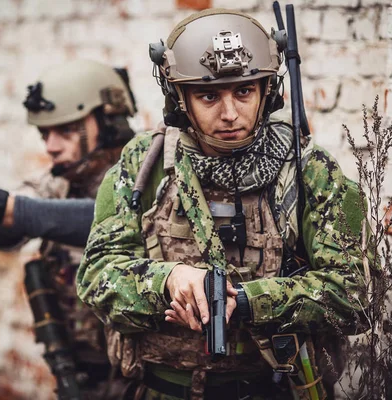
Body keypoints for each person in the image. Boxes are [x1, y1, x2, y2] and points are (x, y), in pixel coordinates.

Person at [78, 9, 368, 400]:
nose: (230, 113)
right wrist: (169, 281)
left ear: (268, 90)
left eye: (244, 91)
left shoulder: (309, 172)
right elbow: (96, 275)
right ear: (179, 97)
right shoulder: (145, 164)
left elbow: (356, 293)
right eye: (209, 95)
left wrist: (249, 303)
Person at [0, 59, 138, 399]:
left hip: (140, 381)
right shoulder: (57, 182)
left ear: (110, 120)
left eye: (66, 130)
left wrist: (1, 206)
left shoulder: (147, 172)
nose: (51, 146)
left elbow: (107, 220)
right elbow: (14, 230)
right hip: (83, 375)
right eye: (45, 134)